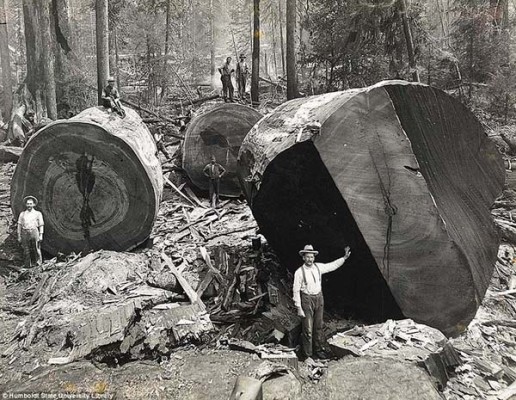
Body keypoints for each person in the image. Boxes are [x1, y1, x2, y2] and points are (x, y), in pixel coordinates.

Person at [293, 244, 351, 361]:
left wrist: (344, 258)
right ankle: (308, 355)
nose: (310, 259)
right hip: (306, 300)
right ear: (303, 258)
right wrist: (298, 307)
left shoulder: (318, 267)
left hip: (319, 298)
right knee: (308, 329)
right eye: (307, 257)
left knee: (318, 327)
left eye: (312, 257)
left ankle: (318, 350)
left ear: (314, 257)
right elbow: (295, 290)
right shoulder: (299, 272)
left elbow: (332, 266)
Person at [17, 196, 44, 268]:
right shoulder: (22, 214)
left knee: (37, 248)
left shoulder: (38, 213)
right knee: (26, 249)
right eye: (28, 204)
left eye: (30, 204)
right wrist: (19, 235)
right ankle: (27, 265)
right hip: (25, 232)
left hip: (34, 231)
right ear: (26, 205)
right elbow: (19, 225)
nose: (29, 205)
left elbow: (41, 225)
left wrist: (41, 235)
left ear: (34, 204)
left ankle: (39, 264)